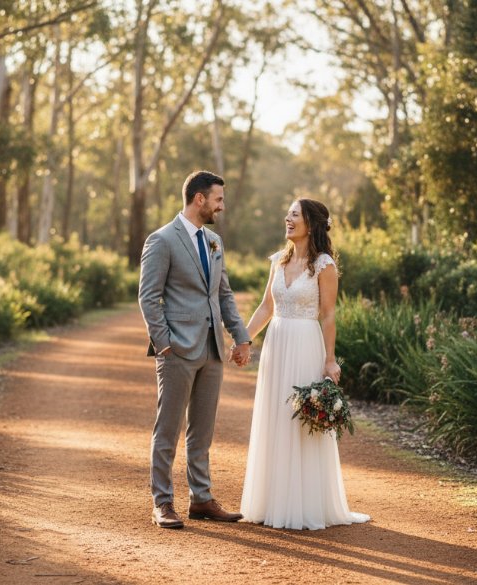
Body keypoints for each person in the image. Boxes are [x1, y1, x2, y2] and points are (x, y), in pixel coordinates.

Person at [239, 198, 370, 530]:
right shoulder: (277, 262)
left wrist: (330, 360)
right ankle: (273, 502)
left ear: (310, 224)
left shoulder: (324, 266)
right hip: (277, 345)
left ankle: (305, 505)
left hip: (305, 346)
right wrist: (244, 338)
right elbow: (266, 308)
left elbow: (328, 316)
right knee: (276, 418)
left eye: (294, 215)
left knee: (300, 423)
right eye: (288, 214)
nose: (287, 218)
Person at [138, 170, 253, 529]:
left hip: (212, 349)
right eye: (218, 199)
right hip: (176, 351)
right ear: (199, 199)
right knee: (168, 429)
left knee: (202, 431)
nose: (222, 205)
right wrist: (164, 343)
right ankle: (163, 503)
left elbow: (223, 294)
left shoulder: (215, 241)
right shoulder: (162, 240)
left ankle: (201, 499)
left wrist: (241, 336)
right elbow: (148, 296)